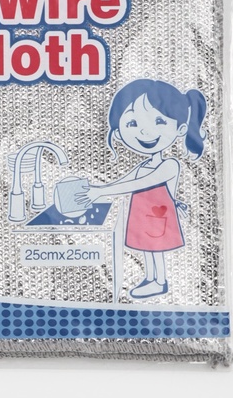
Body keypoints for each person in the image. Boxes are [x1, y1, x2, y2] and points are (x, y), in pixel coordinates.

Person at [78, 79, 207, 299]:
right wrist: (99, 188)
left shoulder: (170, 165)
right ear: (119, 133)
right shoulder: (145, 165)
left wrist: (101, 192)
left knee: (156, 249)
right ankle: (150, 277)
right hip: (143, 214)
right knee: (147, 248)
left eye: (159, 121)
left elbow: (140, 184)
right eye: (132, 124)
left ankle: (161, 281)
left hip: (160, 215)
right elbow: (125, 181)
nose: (145, 131)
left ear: (181, 129)